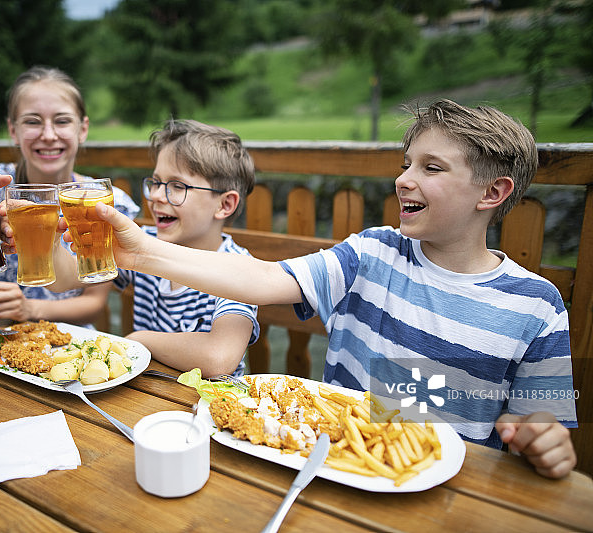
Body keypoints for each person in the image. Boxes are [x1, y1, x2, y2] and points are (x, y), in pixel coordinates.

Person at [68, 100, 577, 478]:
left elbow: (542, 421)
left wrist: (542, 439)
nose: (403, 179)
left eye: (431, 167)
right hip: (329, 466)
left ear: (492, 192)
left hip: (453, 488)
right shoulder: (372, 254)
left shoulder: (537, 306)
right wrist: (143, 253)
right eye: (406, 163)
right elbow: (266, 279)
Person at [0, 66, 139, 326]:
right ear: (13, 130)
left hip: (71, 345)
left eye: (61, 121)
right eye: (32, 122)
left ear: (82, 129)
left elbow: (94, 304)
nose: (48, 135)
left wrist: (30, 308)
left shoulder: (105, 201)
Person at [50, 119, 259, 377]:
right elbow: (64, 280)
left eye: (177, 186)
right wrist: (51, 240)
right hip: (149, 396)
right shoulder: (145, 241)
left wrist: (142, 340)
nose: (157, 196)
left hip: (209, 407)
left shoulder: (239, 269)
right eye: (157, 182)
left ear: (224, 205)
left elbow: (219, 358)